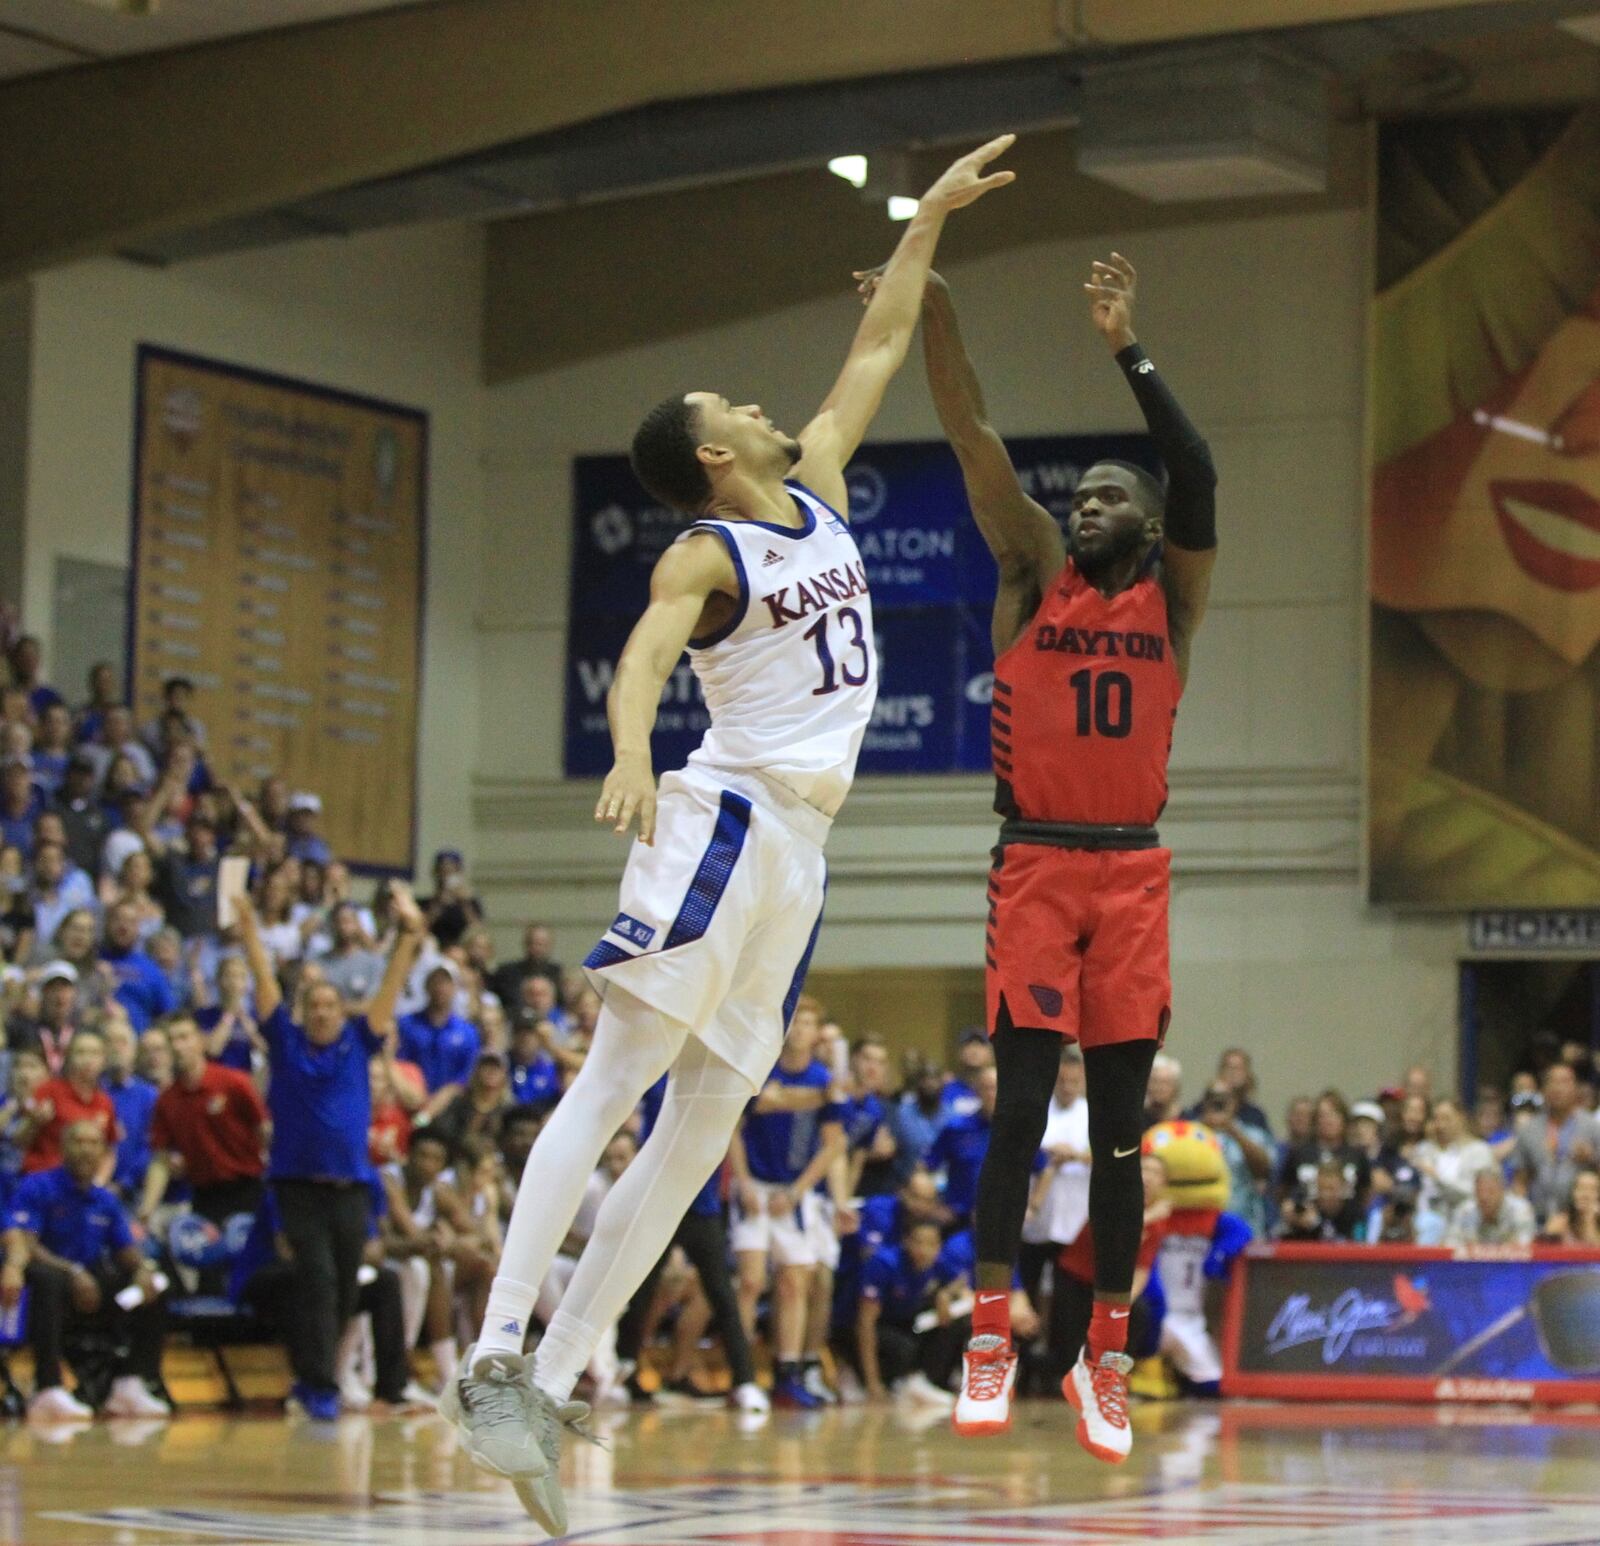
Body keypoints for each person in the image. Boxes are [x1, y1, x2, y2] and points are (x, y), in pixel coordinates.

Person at [439, 136, 1016, 1534]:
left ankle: (560, 1382)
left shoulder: (813, 480)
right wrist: (632, 750)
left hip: (802, 852)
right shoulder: (706, 553)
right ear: (714, 454)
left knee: (703, 1125)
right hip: (724, 813)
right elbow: (640, 659)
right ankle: (493, 1356)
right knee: (622, 1070)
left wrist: (930, 217)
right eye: (736, 403)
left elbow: (876, 342)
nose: (769, 405)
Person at [894, 251, 1216, 1459]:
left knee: (1125, 1136)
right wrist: (930, 305)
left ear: (1146, 523)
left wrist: (1126, 347)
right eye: (1076, 495)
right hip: (1034, 863)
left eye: (1106, 497)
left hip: (1131, 872)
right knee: (1020, 1108)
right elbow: (971, 429)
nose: (1085, 505)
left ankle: (1107, 1357)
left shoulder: (1173, 605)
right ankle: (990, 1331)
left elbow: (1201, 470)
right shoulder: (1032, 575)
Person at [235, 884, 423, 1420]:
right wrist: (249, 925)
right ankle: (317, 1388)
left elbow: (389, 985)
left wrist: (408, 938)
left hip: (351, 1187)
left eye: (329, 1005)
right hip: (296, 1186)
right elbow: (264, 979)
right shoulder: (286, 1041)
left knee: (344, 1288)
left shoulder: (359, 1041)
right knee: (316, 1278)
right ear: (302, 1012)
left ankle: (323, 1378)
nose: (320, 1012)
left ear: (343, 1012)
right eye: (313, 1005)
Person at [2, 1118, 169, 1418]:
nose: (86, 1150)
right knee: (48, 1280)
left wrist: (144, 1269)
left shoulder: (105, 1200)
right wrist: (74, 1272)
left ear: (103, 1153)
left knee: (154, 1284)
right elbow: (28, 1245)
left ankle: (130, 1382)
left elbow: (126, 1250)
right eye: (79, 1142)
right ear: (63, 1148)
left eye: (94, 1144)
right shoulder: (38, 1186)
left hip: (98, 1298)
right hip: (48, 1294)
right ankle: (48, 1387)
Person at [729, 1014, 847, 1409]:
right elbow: (735, 1125)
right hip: (755, 1189)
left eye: (808, 1024)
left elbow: (832, 1145)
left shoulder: (821, 1079)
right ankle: (742, 1374)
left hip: (793, 1194)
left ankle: (788, 1373)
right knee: (749, 1282)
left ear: (816, 1034)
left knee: (796, 1282)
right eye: (794, 1023)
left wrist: (798, 1191)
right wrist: (743, 1181)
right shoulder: (761, 1070)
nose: (799, 1030)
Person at [139, 1015, 268, 1226]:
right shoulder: (167, 1100)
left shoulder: (234, 1083)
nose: (179, 1046)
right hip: (204, 1197)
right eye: (172, 1040)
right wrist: (147, 1209)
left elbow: (263, 1129)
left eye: (184, 1037)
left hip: (248, 1190)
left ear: (200, 1041)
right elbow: (161, 1159)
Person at [852, 1218, 968, 1410]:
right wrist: (873, 1383)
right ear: (906, 1241)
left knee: (956, 1321)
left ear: (939, 1246)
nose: (924, 1249)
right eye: (918, 1242)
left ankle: (928, 1382)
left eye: (931, 1244)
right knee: (902, 1347)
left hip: (906, 1323)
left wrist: (944, 1294)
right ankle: (878, 1380)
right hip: (867, 1327)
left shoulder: (938, 1263)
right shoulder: (884, 1263)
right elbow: (865, 1323)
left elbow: (962, 1279)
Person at [1020, 1046, 1090, 1305]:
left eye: (1073, 1081)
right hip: (1037, 1213)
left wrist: (1076, 1156)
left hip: (1075, 1215)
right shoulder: (1038, 1110)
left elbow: (1106, 1156)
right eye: (1061, 1081)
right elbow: (1020, 1145)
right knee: (1028, 1287)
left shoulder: (1091, 1115)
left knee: (1067, 1295)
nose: (1067, 1087)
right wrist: (1048, 1150)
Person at [22, 1027, 118, 1177]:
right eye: (81, 1052)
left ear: (104, 1060)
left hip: (83, 1185)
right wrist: (34, 1122)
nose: (88, 1059)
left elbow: (109, 1150)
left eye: (94, 1053)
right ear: (68, 1057)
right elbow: (19, 1141)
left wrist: (99, 1182)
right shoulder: (48, 1090)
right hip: (43, 1177)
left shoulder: (105, 1101)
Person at [1512, 1063, 1600, 1221]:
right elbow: (1521, 1179)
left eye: (1564, 1082)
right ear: (1543, 1090)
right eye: (1552, 1082)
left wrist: (1591, 1159)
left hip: (1581, 1220)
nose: (1558, 1088)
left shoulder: (1592, 1127)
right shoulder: (1529, 1129)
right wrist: (1521, 1215)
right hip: (1538, 1216)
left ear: (1576, 1089)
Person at [101, 900, 177, 1033]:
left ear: (138, 928)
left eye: (130, 922)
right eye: (118, 920)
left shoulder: (151, 970)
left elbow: (167, 1015)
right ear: (107, 923)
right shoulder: (92, 962)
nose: (123, 927)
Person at [1448, 1166, 1536, 1246]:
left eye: (1491, 1191)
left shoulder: (1520, 1210)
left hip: (1512, 1263)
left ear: (1502, 1191)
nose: (1484, 1197)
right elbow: (1450, 1244)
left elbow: (1526, 1243)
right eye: (1480, 1191)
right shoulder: (1464, 1211)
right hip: (1472, 1263)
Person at [1541, 1167, 1600, 1245]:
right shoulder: (1560, 1222)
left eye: (1592, 1189)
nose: (1585, 1194)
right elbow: (1543, 1250)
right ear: (1573, 1193)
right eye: (1581, 1188)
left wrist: (1589, 1220)